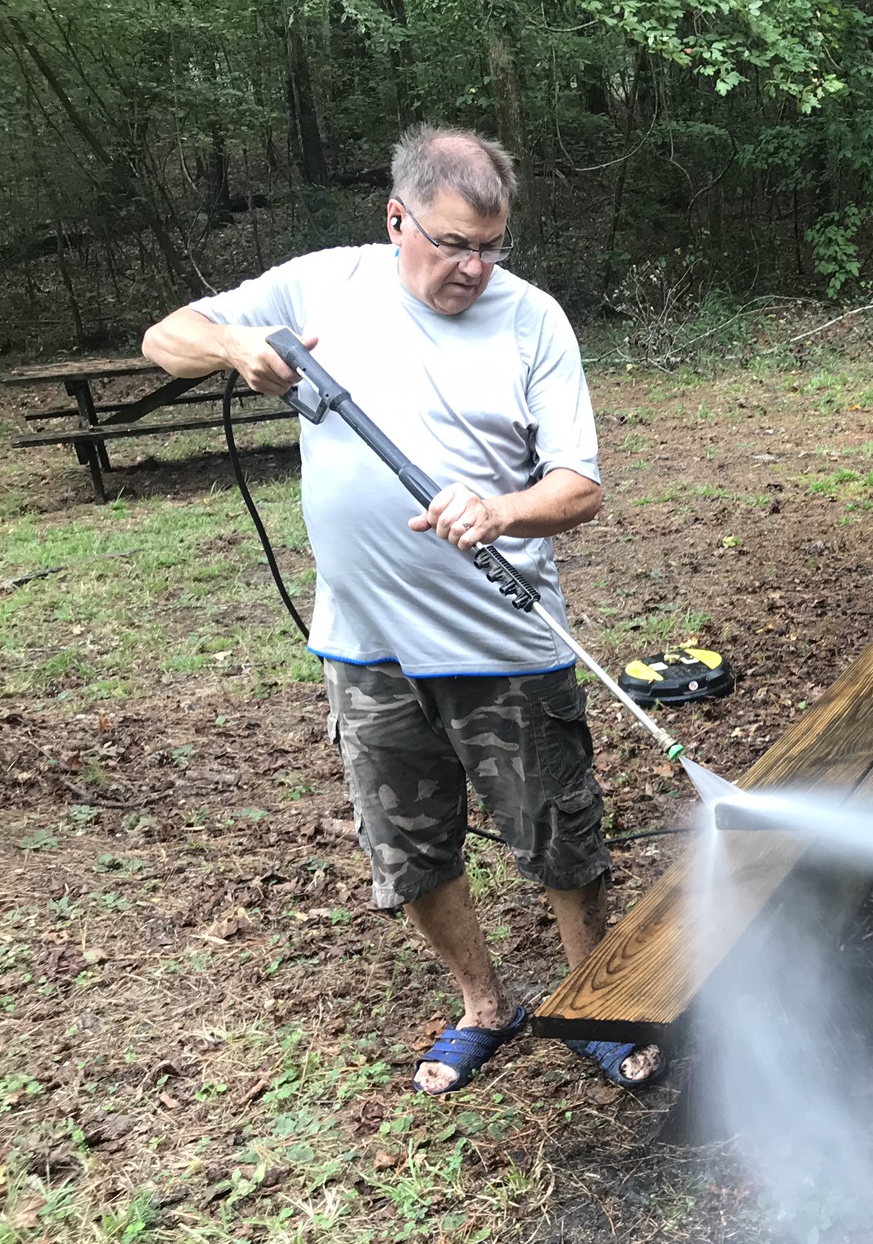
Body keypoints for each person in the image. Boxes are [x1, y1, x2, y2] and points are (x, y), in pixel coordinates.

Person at [141, 125, 663, 1095]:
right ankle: (483, 1006)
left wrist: (502, 507)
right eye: (451, 242)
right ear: (397, 220)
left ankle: (594, 994)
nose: (472, 266)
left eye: (489, 246)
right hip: (364, 646)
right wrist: (235, 346)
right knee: (408, 850)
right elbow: (163, 338)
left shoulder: (532, 320)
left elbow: (579, 486)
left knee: (559, 834)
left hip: (502, 642)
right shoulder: (323, 286)